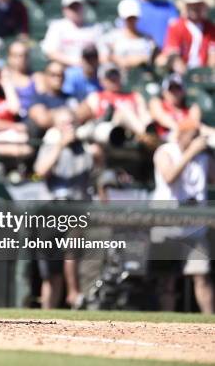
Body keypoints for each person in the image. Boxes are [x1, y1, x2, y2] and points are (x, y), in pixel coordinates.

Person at [152, 118, 215, 314]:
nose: (196, 139)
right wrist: (191, 152)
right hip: (167, 223)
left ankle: (210, 322)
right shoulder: (165, 151)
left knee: (201, 275)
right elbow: (169, 176)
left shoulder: (204, 157)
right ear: (181, 134)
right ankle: (166, 325)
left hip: (195, 225)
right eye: (192, 135)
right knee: (167, 280)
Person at [33, 108, 94, 309]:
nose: (69, 128)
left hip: (76, 207)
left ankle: (74, 297)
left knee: (72, 254)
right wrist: (60, 145)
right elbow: (40, 172)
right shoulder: (51, 145)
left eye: (71, 123)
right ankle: (48, 311)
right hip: (52, 208)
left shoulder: (85, 148)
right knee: (51, 273)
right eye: (64, 123)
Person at [79, 64, 152, 139]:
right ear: (101, 80)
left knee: (147, 118)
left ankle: (149, 135)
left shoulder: (134, 96)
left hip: (132, 131)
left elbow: (144, 114)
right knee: (123, 112)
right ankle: (145, 135)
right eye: (109, 76)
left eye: (115, 74)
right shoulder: (96, 97)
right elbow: (82, 116)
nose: (113, 78)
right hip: (109, 132)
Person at [157, 0, 215, 74]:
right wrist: (186, 74)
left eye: (197, 5)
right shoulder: (176, 26)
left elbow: (212, 54)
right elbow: (172, 53)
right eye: (191, 5)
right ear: (186, 6)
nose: (195, 8)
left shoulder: (210, 28)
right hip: (183, 73)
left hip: (204, 72)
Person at [41, 0, 103, 67]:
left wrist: (88, 64)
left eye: (77, 7)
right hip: (65, 69)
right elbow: (51, 52)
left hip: (91, 70)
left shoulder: (95, 28)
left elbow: (103, 54)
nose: (75, 10)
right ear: (64, 9)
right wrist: (76, 62)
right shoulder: (57, 26)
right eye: (72, 7)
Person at [100, 0, 157, 72]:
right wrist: (118, 60)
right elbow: (103, 59)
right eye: (129, 18)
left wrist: (136, 60)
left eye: (133, 17)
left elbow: (153, 58)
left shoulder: (147, 38)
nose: (131, 21)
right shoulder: (112, 37)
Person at [27, 61, 77, 136]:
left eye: (60, 75)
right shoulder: (38, 98)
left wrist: (51, 114)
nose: (58, 78)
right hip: (49, 141)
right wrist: (67, 114)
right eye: (53, 75)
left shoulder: (71, 97)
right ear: (45, 76)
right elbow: (43, 119)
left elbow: (82, 113)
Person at [149, 73, 201, 140]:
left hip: (186, 139)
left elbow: (194, 122)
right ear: (164, 92)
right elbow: (161, 117)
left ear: (183, 91)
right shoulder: (157, 103)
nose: (174, 92)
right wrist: (179, 127)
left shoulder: (190, 107)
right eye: (171, 88)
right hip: (164, 141)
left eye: (177, 88)